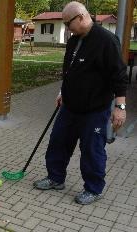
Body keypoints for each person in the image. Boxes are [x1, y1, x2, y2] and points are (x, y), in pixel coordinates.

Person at [33, 1, 128, 205]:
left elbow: (119, 76)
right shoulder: (74, 40)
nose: (67, 29)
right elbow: (70, 70)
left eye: (68, 24)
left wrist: (120, 107)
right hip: (69, 107)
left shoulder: (107, 41)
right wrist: (62, 91)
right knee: (58, 142)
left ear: (82, 17)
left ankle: (93, 189)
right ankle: (55, 178)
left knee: (92, 150)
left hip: (94, 110)